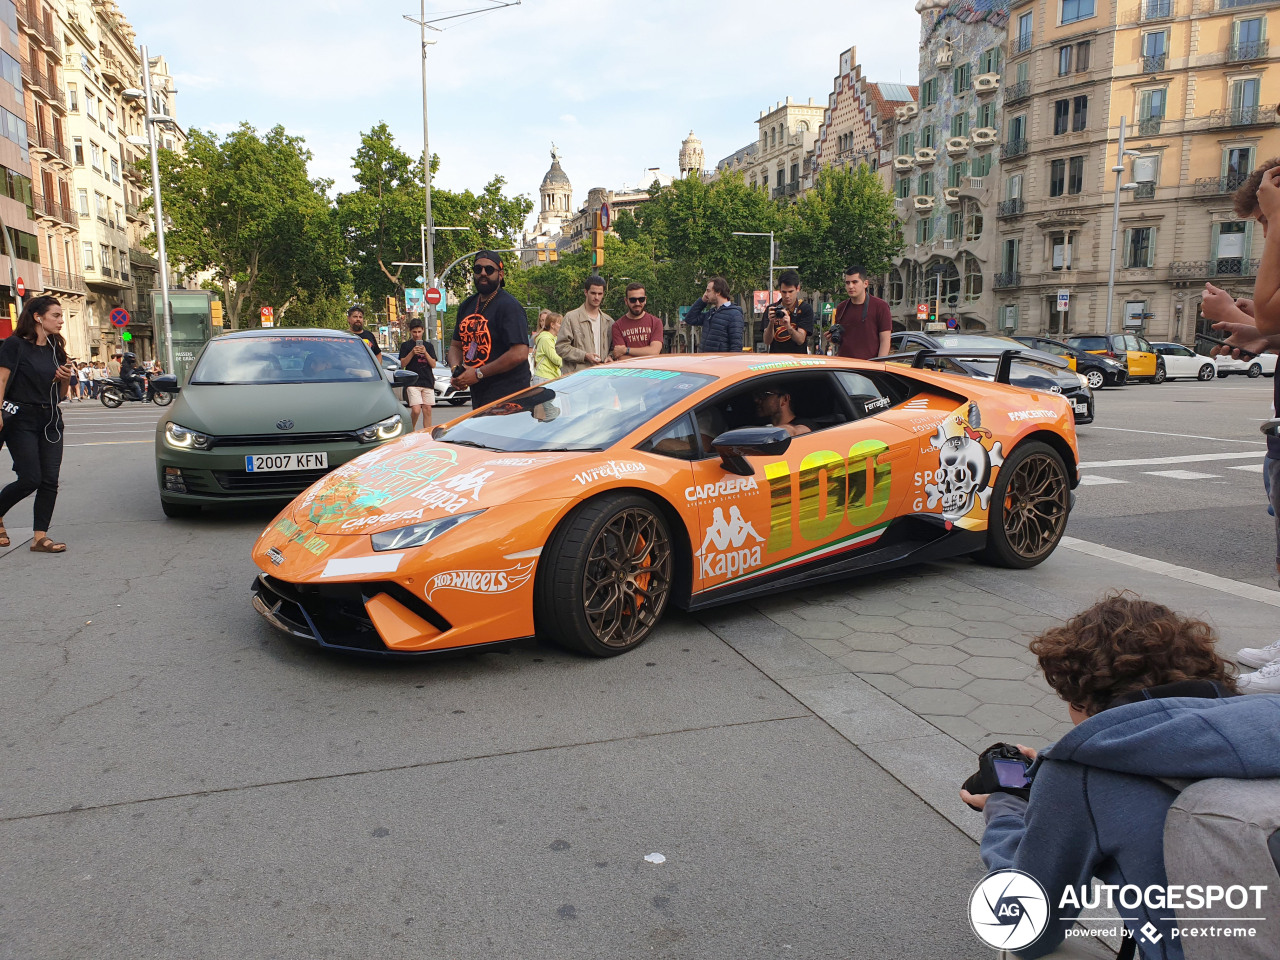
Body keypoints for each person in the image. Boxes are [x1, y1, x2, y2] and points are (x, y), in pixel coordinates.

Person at [961, 593, 1280, 959]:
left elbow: (1027, 930)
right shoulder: (1268, 719)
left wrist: (1004, 811)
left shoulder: (1080, 775)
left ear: (1080, 701)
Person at [0, 296, 75, 553]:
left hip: (51, 419)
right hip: (21, 418)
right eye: (56, 315)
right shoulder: (14, 345)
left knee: (49, 480)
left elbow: (62, 394)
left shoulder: (56, 348)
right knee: (30, 478)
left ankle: (39, 537)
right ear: (37, 317)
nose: (61, 320)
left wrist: (64, 378)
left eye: (61, 315)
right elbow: (2, 379)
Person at [447, 251, 531, 409]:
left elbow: (519, 352)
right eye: (478, 269)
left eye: (489, 269)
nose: (483, 273)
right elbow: (455, 346)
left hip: (510, 399)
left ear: (501, 275)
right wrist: (457, 371)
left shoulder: (509, 306)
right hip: (480, 397)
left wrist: (478, 373)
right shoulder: (467, 305)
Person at [829, 265, 892, 360]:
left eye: (855, 282)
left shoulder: (880, 306)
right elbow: (845, 341)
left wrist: (879, 367)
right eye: (847, 283)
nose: (850, 286)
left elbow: (885, 340)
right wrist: (833, 338)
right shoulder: (841, 308)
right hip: (844, 367)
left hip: (868, 368)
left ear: (865, 283)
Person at [556, 276, 613, 375]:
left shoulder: (609, 322)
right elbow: (561, 347)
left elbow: (613, 349)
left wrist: (610, 357)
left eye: (600, 294)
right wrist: (585, 356)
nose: (597, 297)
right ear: (586, 292)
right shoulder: (571, 317)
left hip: (602, 378)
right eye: (593, 293)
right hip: (577, 378)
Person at [398, 317, 438, 432]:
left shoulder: (428, 346)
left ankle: (427, 434)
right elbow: (403, 363)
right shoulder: (406, 346)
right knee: (416, 410)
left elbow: (433, 364)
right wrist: (412, 353)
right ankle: (411, 430)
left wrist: (425, 352)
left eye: (419, 332)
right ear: (410, 331)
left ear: (423, 331)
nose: (417, 335)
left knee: (427, 409)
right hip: (412, 381)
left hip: (427, 380)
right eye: (414, 332)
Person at [684, 277, 744, 353]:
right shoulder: (711, 313)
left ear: (718, 292)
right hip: (705, 360)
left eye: (708, 291)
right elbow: (690, 319)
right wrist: (702, 301)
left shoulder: (734, 314)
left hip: (719, 362)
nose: (705, 294)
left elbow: (736, 345)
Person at [763, 270, 815, 355]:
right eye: (784, 292)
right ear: (780, 290)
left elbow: (800, 340)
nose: (787, 296)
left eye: (790, 292)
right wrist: (771, 323)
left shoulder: (805, 308)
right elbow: (767, 341)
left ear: (798, 288)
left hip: (798, 361)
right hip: (776, 360)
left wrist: (788, 326)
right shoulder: (772, 309)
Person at [610, 283, 664, 360]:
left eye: (641, 299)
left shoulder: (656, 322)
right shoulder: (617, 326)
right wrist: (647, 354)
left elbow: (654, 351)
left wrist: (626, 350)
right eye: (633, 300)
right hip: (629, 371)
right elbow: (622, 357)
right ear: (626, 301)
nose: (637, 303)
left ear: (645, 300)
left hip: (652, 371)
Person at [532, 311, 563, 385]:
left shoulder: (554, 338)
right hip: (544, 377)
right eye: (560, 323)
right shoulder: (546, 339)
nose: (562, 326)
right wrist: (570, 364)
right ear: (552, 325)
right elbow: (555, 358)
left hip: (552, 377)